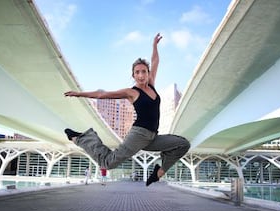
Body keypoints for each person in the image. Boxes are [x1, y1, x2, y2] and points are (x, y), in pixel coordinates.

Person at [64, 33, 190, 187]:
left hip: (152, 137)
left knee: (183, 144)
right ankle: (82, 138)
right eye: (137, 72)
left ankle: (158, 173)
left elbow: (155, 61)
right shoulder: (132, 92)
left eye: (144, 71)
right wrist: (79, 93)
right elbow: (102, 94)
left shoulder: (151, 85)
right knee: (108, 162)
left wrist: (154, 46)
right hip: (138, 135)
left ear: (148, 73)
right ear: (133, 75)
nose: (141, 75)